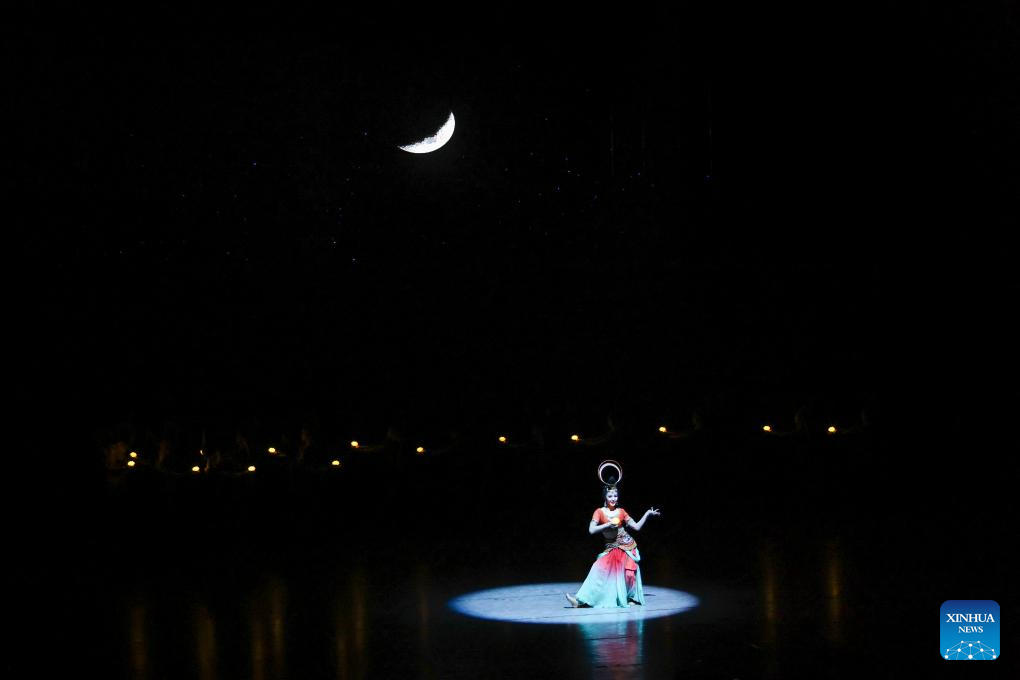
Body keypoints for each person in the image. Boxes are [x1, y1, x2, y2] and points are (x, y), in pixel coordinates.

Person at [565, 485, 660, 608]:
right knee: (597, 570)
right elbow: (591, 530)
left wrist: (647, 514)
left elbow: (636, 527)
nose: (613, 498)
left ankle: (631, 598)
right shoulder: (599, 512)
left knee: (629, 574)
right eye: (610, 496)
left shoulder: (621, 512)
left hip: (627, 546)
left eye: (615, 496)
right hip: (612, 547)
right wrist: (607, 525)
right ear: (605, 497)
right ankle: (579, 601)